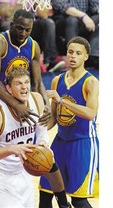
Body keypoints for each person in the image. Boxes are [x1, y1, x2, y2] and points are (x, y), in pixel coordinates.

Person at [0, 68, 71, 208]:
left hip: (22, 173)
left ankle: (64, 203)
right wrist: (11, 149)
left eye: (27, 82)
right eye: (18, 83)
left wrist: (43, 143)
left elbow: (41, 131)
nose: (24, 87)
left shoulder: (36, 99)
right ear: (8, 89)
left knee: (49, 157)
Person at [0, 9, 50, 150]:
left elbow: (37, 83)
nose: (23, 33)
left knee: (11, 140)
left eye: (28, 30)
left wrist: (46, 105)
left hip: (15, 98)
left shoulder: (33, 46)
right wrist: (16, 105)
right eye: (20, 28)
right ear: (11, 24)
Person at [39, 36, 99, 208]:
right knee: (45, 192)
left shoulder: (91, 82)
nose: (73, 56)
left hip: (83, 144)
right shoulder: (57, 80)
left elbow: (90, 113)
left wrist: (62, 101)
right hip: (60, 142)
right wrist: (37, 129)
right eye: (70, 52)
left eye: (78, 53)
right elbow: (54, 117)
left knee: (78, 200)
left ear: (86, 57)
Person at [50, 0, 99, 70]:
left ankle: (93, 57)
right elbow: (63, 7)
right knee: (72, 20)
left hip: (85, 20)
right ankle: (73, 58)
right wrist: (83, 16)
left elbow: (96, 6)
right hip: (63, 19)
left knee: (98, 18)